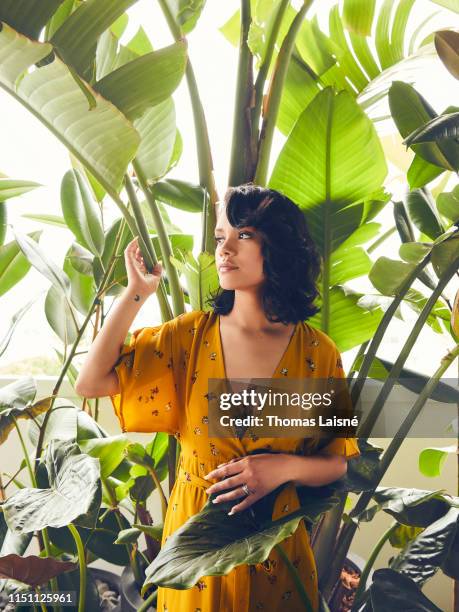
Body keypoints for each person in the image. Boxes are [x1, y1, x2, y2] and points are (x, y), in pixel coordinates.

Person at [75, 184, 360, 612]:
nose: (224, 249)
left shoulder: (317, 353)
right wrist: (137, 292)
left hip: (277, 548)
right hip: (198, 545)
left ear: (278, 246)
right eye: (219, 237)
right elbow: (91, 382)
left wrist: (281, 467)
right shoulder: (187, 338)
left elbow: (336, 460)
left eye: (242, 234)